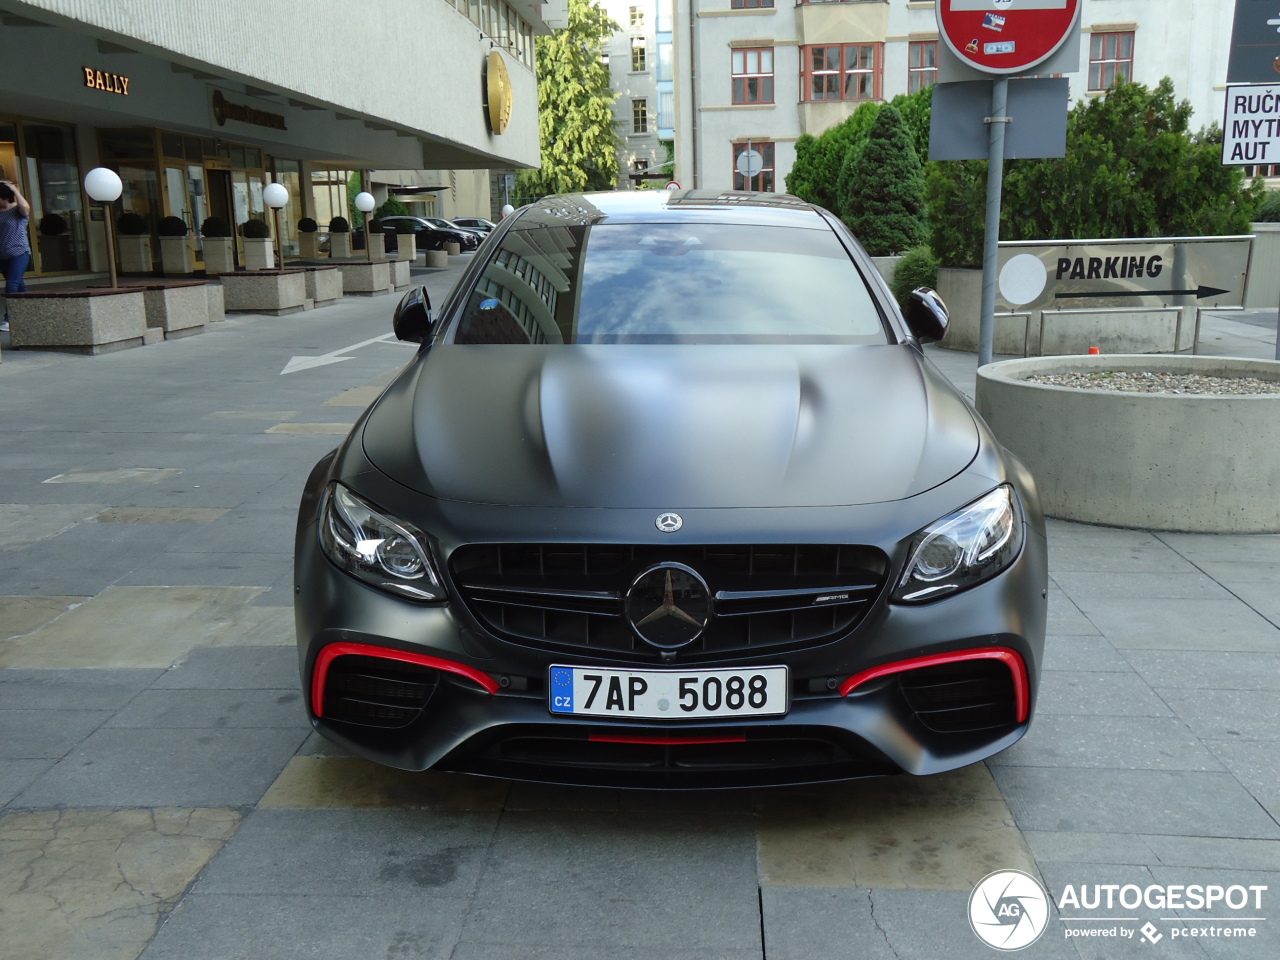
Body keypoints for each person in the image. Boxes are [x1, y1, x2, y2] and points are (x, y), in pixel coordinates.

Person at [0, 178, 33, 332]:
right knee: (19, 285)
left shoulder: (17, 211)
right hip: (3, 256)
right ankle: (33, 312)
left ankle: (10, 319)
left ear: (5, 197)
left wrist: (13, 189)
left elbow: (26, 207)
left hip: (19, 253)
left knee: (12, 285)